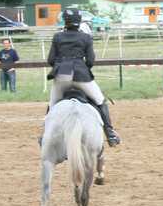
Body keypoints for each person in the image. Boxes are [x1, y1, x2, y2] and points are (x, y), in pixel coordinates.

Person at [46, 8, 120, 146]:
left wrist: (61, 65)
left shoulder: (57, 37)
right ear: (79, 22)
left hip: (62, 74)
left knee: (52, 104)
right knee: (100, 100)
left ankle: (45, 136)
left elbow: (50, 59)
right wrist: (82, 68)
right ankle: (110, 134)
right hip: (81, 75)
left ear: (65, 21)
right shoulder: (85, 37)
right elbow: (91, 60)